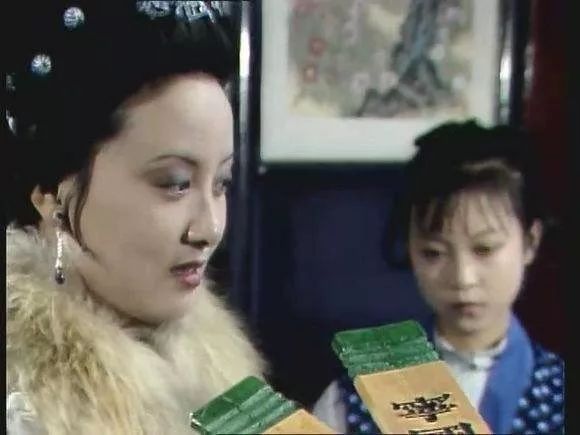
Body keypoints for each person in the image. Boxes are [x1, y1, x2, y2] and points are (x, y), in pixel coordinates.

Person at [5, 1, 265, 433]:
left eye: (221, 183)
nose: (210, 228)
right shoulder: (22, 408)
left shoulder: (220, 372)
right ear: (51, 195)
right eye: (175, 183)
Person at [312, 121, 565, 434]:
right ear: (410, 248)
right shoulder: (353, 398)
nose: (463, 278)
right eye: (434, 253)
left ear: (530, 242)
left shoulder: (560, 392)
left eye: (484, 249)